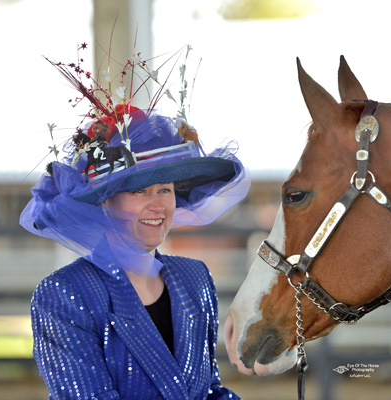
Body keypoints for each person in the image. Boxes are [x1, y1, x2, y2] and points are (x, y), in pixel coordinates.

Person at [20, 45, 249, 399]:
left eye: (166, 191)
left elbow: (209, 390)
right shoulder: (65, 294)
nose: (157, 206)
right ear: (106, 201)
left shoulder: (195, 279)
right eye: (140, 192)